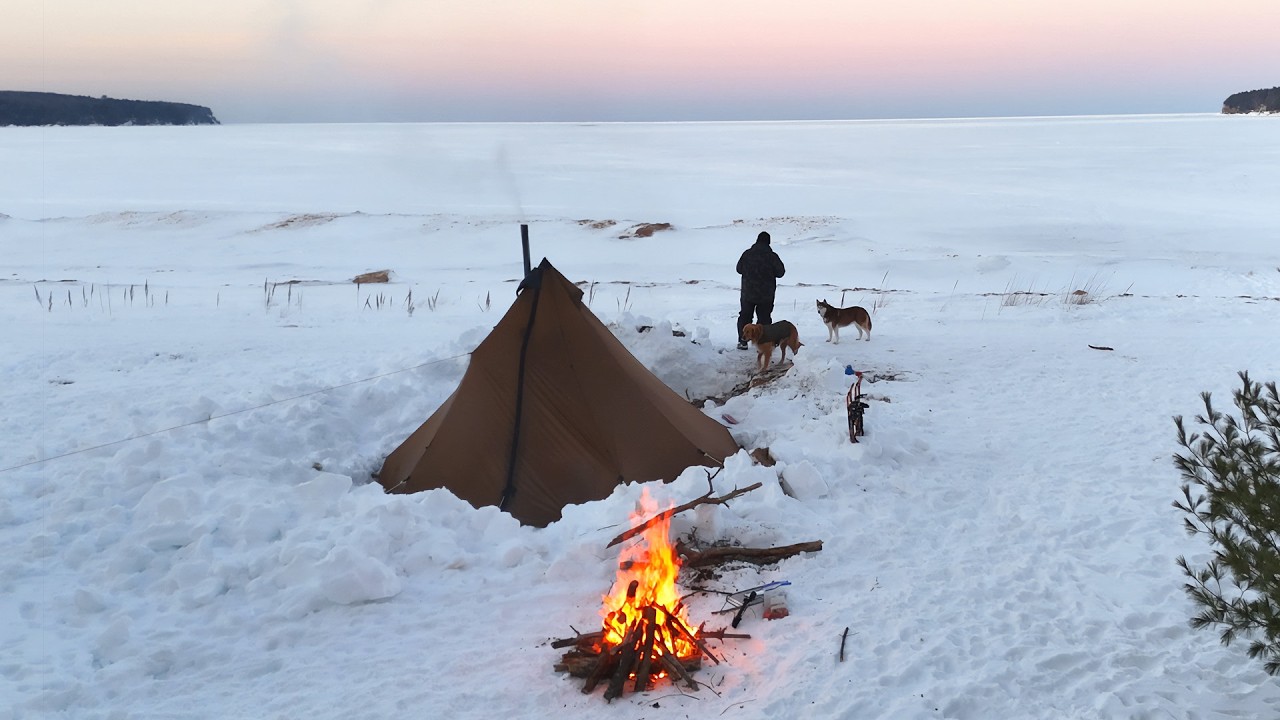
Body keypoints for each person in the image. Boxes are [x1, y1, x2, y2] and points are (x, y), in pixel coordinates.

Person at [736, 231, 786, 349]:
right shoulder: (772, 256)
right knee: (764, 319)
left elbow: (739, 269)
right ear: (768, 242)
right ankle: (763, 343)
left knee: (745, 316)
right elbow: (781, 273)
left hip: (748, 293)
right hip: (766, 295)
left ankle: (743, 341)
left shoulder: (747, 254)